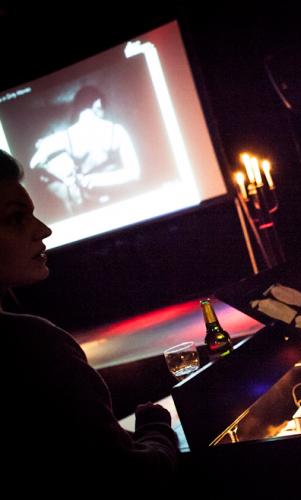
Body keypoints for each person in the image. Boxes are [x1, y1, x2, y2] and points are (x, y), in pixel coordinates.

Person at [1, 149, 176, 490]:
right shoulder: (33, 345)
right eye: (16, 218)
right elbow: (131, 478)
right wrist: (156, 428)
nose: (43, 230)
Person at [29, 85, 140, 214]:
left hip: (90, 206)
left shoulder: (65, 137)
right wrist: (95, 180)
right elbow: (135, 174)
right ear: (97, 103)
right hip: (121, 201)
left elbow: (33, 163)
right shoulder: (116, 130)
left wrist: (66, 177)